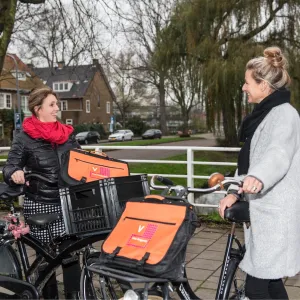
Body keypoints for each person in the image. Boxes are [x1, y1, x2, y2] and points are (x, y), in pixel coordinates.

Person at [218, 46, 300, 299]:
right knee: (271, 283)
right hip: (262, 214)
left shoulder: (284, 115)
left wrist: (258, 177)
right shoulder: (264, 116)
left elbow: (278, 154)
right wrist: (234, 191)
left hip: (277, 216)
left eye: (247, 83)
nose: (243, 88)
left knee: (256, 287)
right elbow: (249, 162)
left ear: (264, 86)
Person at [3, 87, 81, 299]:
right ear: (38, 109)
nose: (57, 108)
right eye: (52, 105)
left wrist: (94, 161)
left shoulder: (67, 135)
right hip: (40, 203)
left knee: (71, 254)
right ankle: (50, 297)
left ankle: (75, 296)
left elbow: (80, 161)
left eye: (57, 104)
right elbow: (9, 167)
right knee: (45, 260)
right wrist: (15, 172)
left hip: (67, 202)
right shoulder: (24, 137)